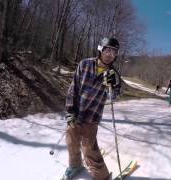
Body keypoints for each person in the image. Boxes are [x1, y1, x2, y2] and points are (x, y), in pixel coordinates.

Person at [63, 37, 121, 180]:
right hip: (76, 113)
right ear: (100, 49)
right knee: (71, 142)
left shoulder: (113, 74)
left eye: (114, 52)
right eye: (108, 50)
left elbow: (114, 96)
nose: (110, 54)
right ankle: (75, 165)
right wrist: (70, 111)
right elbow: (73, 88)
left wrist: (114, 85)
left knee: (89, 148)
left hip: (92, 117)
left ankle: (102, 176)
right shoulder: (85, 64)